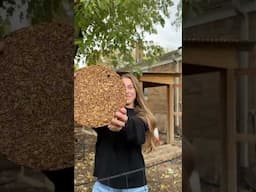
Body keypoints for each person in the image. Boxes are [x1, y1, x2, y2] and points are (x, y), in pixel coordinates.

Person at [92, 73, 157, 192]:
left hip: (133, 186)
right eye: (121, 87)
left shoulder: (142, 116)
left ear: (136, 91)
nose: (126, 91)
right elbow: (92, 119)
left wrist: (123, 123)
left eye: (130, 87)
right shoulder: (105, 113)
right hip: (104, 185)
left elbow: (137, 133)